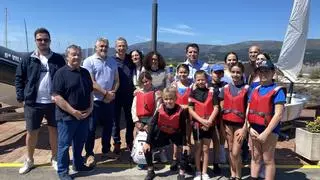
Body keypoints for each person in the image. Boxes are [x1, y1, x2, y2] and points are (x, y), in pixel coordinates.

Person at [15, 27, 65, 174]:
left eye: (45, 39)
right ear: (35, 41)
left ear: (50, 41)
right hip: (33, 103)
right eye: (39, 39)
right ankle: (29, 160)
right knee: (31, 132)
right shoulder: (27, 59)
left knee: (54, 131)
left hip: (53, 102)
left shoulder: (57, 59)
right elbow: (19, 78)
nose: (43, 42)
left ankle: (54, 158)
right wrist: (21, 97)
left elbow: (63, 78)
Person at [52, 45, 94, 180]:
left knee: (79, 143)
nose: (76, 57)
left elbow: (90, 92)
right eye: (73, 54)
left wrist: (91, 107)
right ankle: (63, 172)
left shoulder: (85, 72)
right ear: (67, 57)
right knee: (64, 145)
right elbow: (57, 97)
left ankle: (78, 165)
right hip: (66, 117)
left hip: (84, 116)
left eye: (78, 54)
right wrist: (73, 111)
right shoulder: (61, 73)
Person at [82, 37, 119, 166]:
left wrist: (112, 93)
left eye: (105, 46)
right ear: (95, 47)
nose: (103, 48)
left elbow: (116, 80)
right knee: (91, 129)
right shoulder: (88, 61)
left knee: (108, 127)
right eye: (101, 46)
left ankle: (106, 150)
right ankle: (89, 153)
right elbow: (90, 82)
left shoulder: (112, 62)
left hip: (109, 101)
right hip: (94, 101)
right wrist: (105, 93)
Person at [247, 60, 286, 180]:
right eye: (261, 71)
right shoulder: (254, 89)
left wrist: (266, 133)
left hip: (269, 130)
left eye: (267, 71)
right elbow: (248, 111)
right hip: (254, 128)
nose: (263, 73)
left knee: (268, 159)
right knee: (255, 158)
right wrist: (249, 127)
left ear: (273, 72)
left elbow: (278, 114)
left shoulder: (277, 91)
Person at [143, 87, 189, 180]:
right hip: (162, 133)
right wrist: (147, 142)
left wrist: (185, 144)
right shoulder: (160, 109)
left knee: (186, 150)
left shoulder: (180, 111)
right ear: (163, 99)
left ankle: (182, 172)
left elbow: (184, 128)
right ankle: (150, 170)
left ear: (175, 99)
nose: (169, 101)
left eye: (171, 99)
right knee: (146, 148)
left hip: (175, 133)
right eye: (166, 99)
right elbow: (152, 125)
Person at [219, 62, 249, 180]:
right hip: (227, 123)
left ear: (242, 74)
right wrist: (221, 126)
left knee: (236, 152)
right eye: (233, 72)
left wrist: (245, 128)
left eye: (238, 72)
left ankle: (239, 175)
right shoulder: (225, 88)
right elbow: (221, 110)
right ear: (230, 73)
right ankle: (233, 174)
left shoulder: (247, 89)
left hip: (240, 125)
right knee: (230, 150)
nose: (235, 74)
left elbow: (249, 110)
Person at [189, 70, 219, 180]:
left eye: (203, 79)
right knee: (198, 148)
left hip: (209, 124)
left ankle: (205, 172)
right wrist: (202, 121)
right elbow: (191, 110)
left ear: (206, 80)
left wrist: (209, 121)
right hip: (197, 125)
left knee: (206, 148)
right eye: (198, 80)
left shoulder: (212, 92)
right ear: (195, 81)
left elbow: (216, 107)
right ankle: (198, 171)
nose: (201, 81)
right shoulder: (192, 93)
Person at [131, 71, 162, 169]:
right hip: (140, 120)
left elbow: (158, 108)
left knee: (151, 139)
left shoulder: (156, 93)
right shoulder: (138, 93)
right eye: (143, 82)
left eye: (147, 81)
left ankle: (152, 159)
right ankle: (139, 159)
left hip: (151, 120)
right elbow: (134, 108)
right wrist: (136, 121)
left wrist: (150, 123)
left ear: (150, 80)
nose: (145, 83)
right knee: (136, 136)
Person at [113, 37, 135, 153]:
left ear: (126, 47)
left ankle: (129, 142)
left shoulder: (130, 60)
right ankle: (116, 142)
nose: (121, 48)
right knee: (115, 121)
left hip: (129, 95)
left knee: (130, 120)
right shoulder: (111, 60)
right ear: (116, 47)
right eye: (119, 46)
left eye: (123, 46)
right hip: (116, 95)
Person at [170, 64, 192, 172]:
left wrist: (187, 107)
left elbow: (193, 101)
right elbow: (171, 100)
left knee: (187, 138)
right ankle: (175, 159)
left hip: (188, 116)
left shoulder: (191, 86)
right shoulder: (174, 85)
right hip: (176, 116)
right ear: (177, 73)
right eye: (181, 72)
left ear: (188, 73)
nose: (182, 74)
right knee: (176, 139)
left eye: (185, 72)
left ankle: (185, 159)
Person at [208, 64, 228, 175]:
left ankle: (216, 163)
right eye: (216, 72)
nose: (218, 74)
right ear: (211, 73)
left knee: (218, 139)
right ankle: (200, 161)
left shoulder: (226, 85)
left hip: (221, 116)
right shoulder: (206, 85)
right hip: (207, 116)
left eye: (220, 72)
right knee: (204, 142)